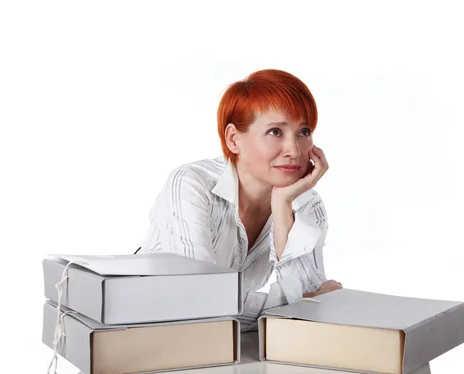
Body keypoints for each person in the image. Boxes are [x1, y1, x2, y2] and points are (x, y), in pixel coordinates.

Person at [136, 69, 342, 331]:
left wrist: (282, 208)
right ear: (234, 139)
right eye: (276, 132)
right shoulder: (190, 184)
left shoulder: (304, 201)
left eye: (304, 132)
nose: (294, 150)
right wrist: (286, 309)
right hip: (146, 330)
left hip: (223, 339)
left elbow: (312, 305)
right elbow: (196, 300)